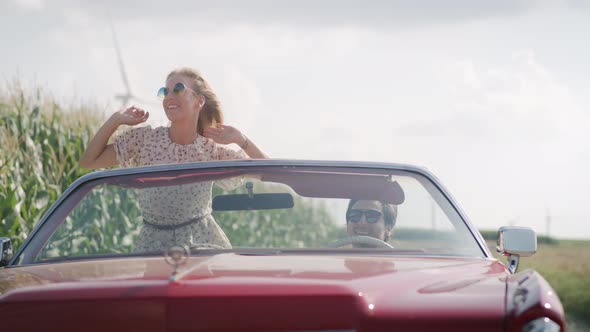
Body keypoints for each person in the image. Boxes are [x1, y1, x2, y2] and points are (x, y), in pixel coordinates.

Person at [80, 67, 268, 252]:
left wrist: (242, 140)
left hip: (203, 246)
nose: (169, 96)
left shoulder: (211, 152)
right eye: (165, 91)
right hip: (153, 246)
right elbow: (89, 161)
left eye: (178, 89)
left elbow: (268, 172)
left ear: (199, 101)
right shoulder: (144, 140)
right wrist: (115, 120)